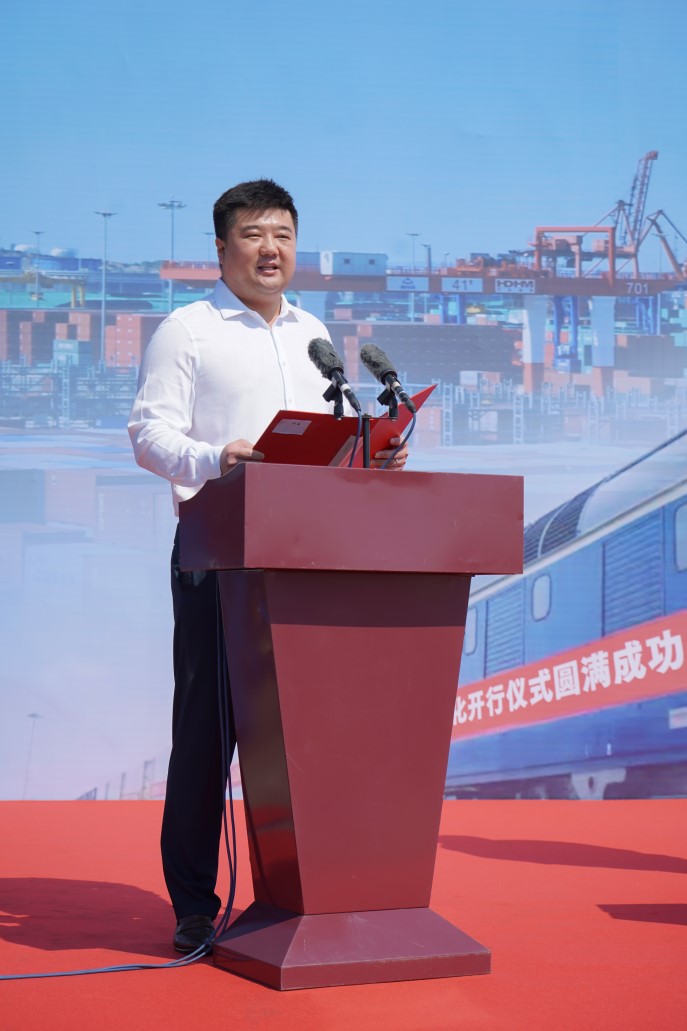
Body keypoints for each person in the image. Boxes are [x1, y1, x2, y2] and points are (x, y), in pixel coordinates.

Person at [128, 179, 408, 954]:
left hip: (306, 556)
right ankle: (193, 903)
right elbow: (148, 433)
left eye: (282, 233)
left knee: (307, 736)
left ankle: (308, 895)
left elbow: (325, 442)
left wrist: (372, 454)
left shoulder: (313, 333)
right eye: (253, 234)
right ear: (221, 248)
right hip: (217, 554)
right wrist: (214, 458)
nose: (270, 248)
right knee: (206, 731)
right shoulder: (188, 330)